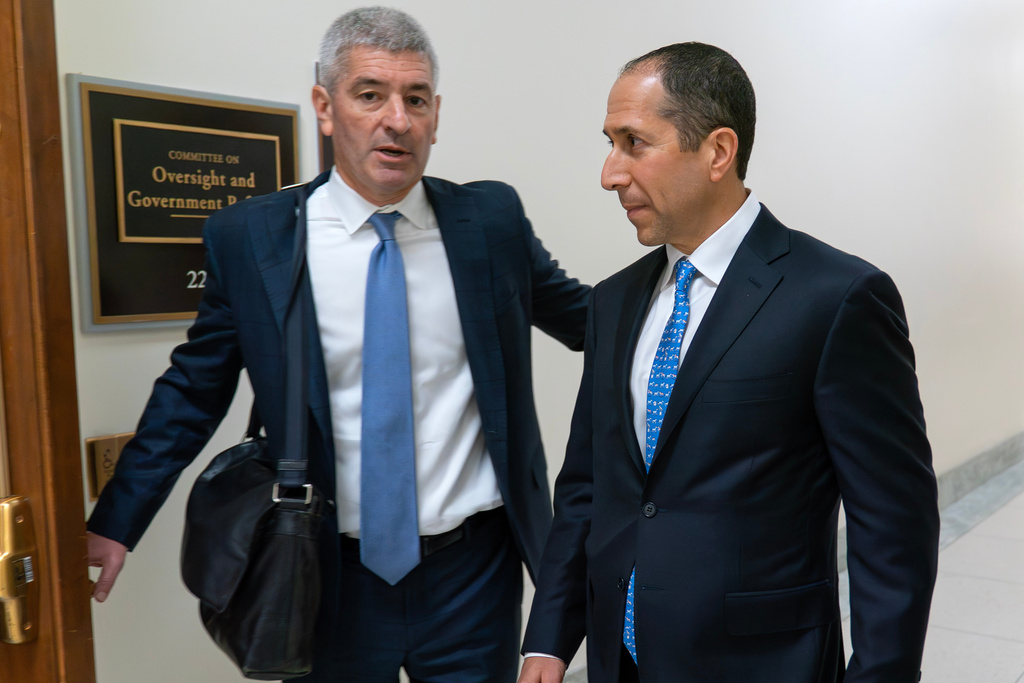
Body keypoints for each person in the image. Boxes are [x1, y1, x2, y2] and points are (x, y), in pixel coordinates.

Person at [86, 7, 590, 682]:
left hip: (474, 575)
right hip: (323, 572)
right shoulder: (256, 239)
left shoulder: (489, 222)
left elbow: (595, 322)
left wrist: (707, 278)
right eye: (370, 95)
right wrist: (117, 518)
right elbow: (192, 389)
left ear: (436, 115)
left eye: (415, 99)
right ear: (325, 107)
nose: (397, 119)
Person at [518, 42, 939, 683]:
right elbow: (587, 487)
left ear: (718, 151)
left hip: (762, 664)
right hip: (619, 659)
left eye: (634, 143)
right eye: (609, 143)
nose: (610, 173)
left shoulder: (836, 298)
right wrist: (548, 641)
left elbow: (894, 524)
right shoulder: (613, 302)